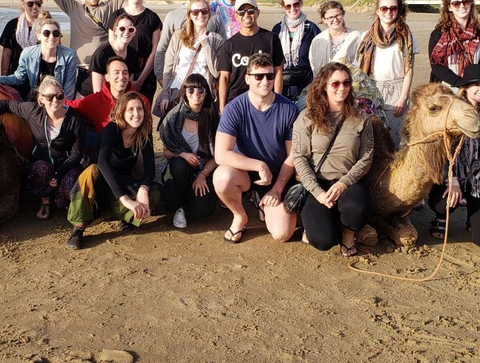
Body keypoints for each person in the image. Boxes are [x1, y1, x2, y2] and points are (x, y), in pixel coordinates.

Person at [426, 64, 480, 250]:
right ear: (465, 88)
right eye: (477, 85)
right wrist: (452, 180)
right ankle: (442, 217)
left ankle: (473, 214)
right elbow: (439, 153)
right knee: (442, 203)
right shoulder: (449, 115)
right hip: (454, 178)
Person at [213, 53, 299, 243]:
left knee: (282, 234)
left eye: (270, 76)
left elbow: (293, 155)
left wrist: (277, 189)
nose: (265, 81)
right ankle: (240, 216)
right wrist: (259, 165)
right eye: (258, 76)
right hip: (244, 173)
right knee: (221, 177)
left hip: (277, 176)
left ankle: (265, 204)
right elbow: (221, 154)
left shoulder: (289, 109)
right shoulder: (234, 108)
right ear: (247, 79)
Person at [292, 63, 373, 257]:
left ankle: (349, 234)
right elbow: (300, 157)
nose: (342, 88)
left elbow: (366, 157)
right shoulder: (307, 117)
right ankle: (318, 224)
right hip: (317, 183)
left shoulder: (361, 117)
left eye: (346, 83)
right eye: (335, 83)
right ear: (324, 86)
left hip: (348, 182)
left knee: (356, 207)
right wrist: (318, 192)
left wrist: (344, 183)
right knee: (324, 241)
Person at [66, 92, 159, 249]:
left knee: (155, 191)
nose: (136, 114)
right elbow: (102, 163)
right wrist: (125, 199)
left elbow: (150, 168)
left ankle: (124, 216)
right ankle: (78, 228)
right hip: (101, 183)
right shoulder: (112, 129)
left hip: (122, 181)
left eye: (139, 109)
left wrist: (143, 189)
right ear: (122, 112)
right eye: (130, 109)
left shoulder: (144, 133)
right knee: (91, 171)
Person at [0, 76, 85, 220]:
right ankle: (45, 202)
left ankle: (61, 199)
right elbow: (5, 104)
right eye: (50, 97)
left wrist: (59, 173)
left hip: (66, 165)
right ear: (41, 99)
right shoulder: (33, 111)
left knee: (70, 186)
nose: (55, 100)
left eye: (59, 96)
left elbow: (77, 153)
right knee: (40, 169)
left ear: (64, 96)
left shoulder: (74, 119)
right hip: (43, 163)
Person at [350, 0, 417, 146]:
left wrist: (403, 97)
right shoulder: (366, 36)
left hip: (396, 90)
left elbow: (409, 70)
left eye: (393, 8)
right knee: (371, 137)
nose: (389, 12)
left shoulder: (406, 36)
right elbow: (355, 68)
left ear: (398, 10)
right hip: (371, 89)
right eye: (384, 8)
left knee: (393, 139)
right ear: (377, 11)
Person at [159, 74, 220, 228]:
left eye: (200, 90)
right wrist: (182, 154)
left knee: (202, 210)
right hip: (180, 167)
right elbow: (166, 152)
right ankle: (179, 206)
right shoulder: (174, 117)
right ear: (185, 92)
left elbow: (219, 155)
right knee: (178, 165)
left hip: (205, 167)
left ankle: (191, 203)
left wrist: (202, 175)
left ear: (206, 92)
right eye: (191, 90)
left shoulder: (214, 117)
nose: (196, 94)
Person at [216, 0, 285, 113]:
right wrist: (222, 107)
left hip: (264, 100)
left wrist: (277, 101)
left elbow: (278, 71)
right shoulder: (229, 44)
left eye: (251, 11)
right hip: (235, 101)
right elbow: (224, 78)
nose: (246, 15)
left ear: (257, 13)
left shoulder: (271, 39)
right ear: (236, 16)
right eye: (241, 12)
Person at [155, 0, 225, 117]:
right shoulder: (179, 36)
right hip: (178, 91)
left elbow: (216, 72)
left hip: (202, 93)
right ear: (190, 15)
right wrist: (165, 95)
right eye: (196, 12)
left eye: (204, 11)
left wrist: (207, 45)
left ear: (209, 14)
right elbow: (168, 67)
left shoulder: (217, 40)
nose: (200, 15)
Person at [154, 0, 226, 83]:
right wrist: (161, 78)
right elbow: (162, 49)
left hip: (205, 85)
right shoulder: (173, 16)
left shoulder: (214, 18)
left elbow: (223, 53)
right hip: (178, 83)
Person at [0, 15, 80, 99]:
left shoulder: (69, 56)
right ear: (38, 36)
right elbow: (18, 78)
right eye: (46, 33)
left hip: (58, 100)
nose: (51, 37)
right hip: (35, 100)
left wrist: (61, 105)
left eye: (55, 33)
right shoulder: (28, 53)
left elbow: (69, 89)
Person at [429, 0, 480, 90]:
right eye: (456, 3)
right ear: (449, 7)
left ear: (471, 3)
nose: (462, 6)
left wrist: (471, 85)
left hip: (477, 87)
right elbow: (436, 66)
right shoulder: (438, 34)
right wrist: (460, 83)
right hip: (446, 89)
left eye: (465, 1)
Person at [110, 0, 161, 102]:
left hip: (146, 72)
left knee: (143, 108)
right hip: (121, 71)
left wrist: (140, 80)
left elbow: (155, 49)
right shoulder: (116, 16)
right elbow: (112, 44)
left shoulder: (152, 17)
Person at [67, 56, 146, 133]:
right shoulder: (95, 101)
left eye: (125, 73)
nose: (121, 77)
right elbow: (67, 105)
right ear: (107, 77)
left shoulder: (141, 101)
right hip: (106, 141)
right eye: (116, 73)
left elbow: (147, 129)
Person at [272, 0, 321, 100]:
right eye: (288, 6)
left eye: (296, 4)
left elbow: (320, 59)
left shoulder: (312, 29)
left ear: (300, 3)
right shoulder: (277, 29)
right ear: (283, 7)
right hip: (282, 86)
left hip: (306, 86)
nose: (293, 8)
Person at [89, 14, 142, 99]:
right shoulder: (102, 53)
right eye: (122, 28)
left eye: (131, 29)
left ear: (134, 33)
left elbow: (128, 85)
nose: (126, 32)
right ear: (115, 31)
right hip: (95, 96)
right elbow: (97, 91)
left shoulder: (133, 54)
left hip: (119, 97)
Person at [0, 0, 46, 76]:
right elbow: (6, 54)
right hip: (15, 76)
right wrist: (4, 77)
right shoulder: (12, 25)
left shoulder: (47, 25)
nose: (35, 7)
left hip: (40, 76)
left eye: (38, 3)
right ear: (23, 4)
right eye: (30, 4)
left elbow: (57, 50)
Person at [314, 0, 363, 71]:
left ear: (343, 14)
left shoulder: (356, 36)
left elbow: (361, 63)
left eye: (338, 15)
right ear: (324, 19)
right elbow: (314, 66)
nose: (335, 19)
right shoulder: (317, 40)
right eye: (330, 17)